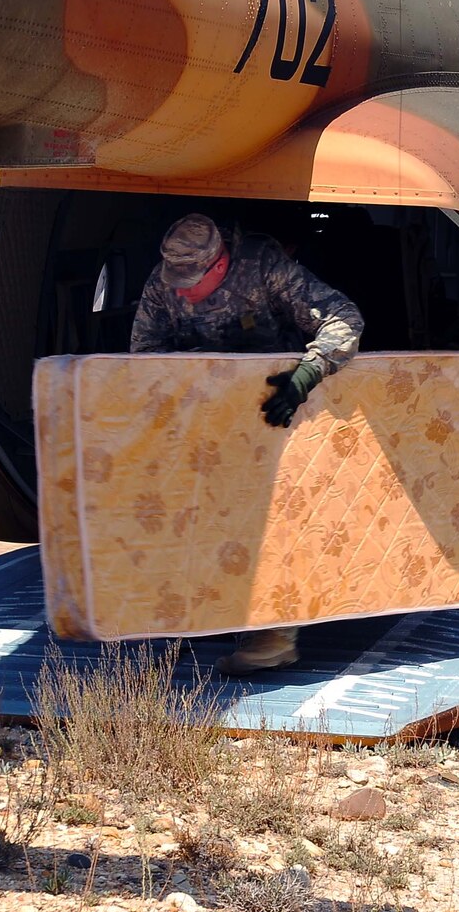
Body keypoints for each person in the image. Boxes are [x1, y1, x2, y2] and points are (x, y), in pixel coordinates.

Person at [131, 212, 364, 676]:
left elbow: (344, 318)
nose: (180, 290)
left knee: (273, 523)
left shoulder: (266, 269)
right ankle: (199, 616)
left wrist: (308, 373)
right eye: (175, 279)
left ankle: (271, 640)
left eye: (191, 280)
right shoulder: (164, 285)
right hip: (204, 421)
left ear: (219, 265)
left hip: (273, 414)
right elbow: (141, 358)